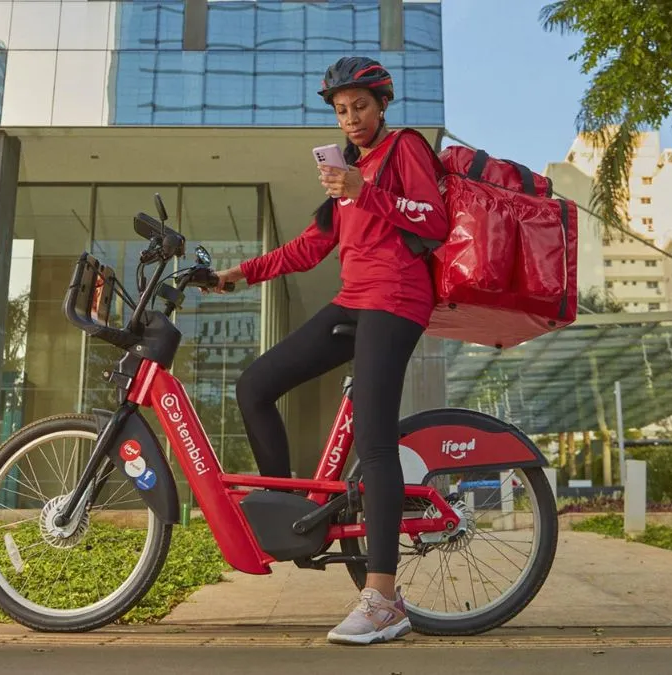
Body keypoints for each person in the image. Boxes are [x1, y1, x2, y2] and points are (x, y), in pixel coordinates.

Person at [207, 56, 448, 646]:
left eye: (360, 107)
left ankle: (384, 599)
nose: (352, 119)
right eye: (342, 111)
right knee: (255, 385)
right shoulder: (346, 172)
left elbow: (433, 220)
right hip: (353, 301)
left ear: (382, 104)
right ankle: (286, 515)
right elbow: (308, 248)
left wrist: (369, 191)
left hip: (395, 300)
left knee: (374, 439)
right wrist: (238, 274)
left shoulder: (404, 151)